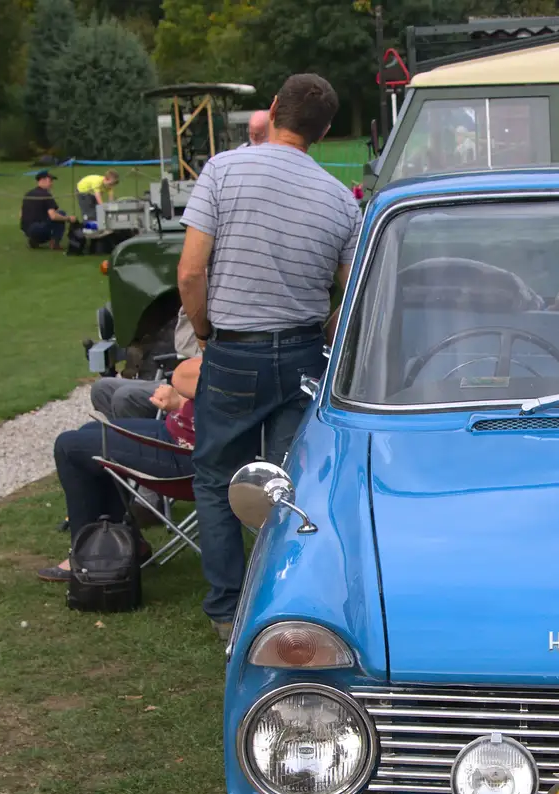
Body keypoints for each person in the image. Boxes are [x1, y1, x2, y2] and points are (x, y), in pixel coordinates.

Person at [176, 73, 360, 640]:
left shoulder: (223, 170)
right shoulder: (339, 198)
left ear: (274, 108)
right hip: (304, 350)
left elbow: (189, 271)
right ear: (324, 132)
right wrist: (324, 325)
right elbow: (354, 295)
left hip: (235, 348)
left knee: (214, 477)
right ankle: (288, 597)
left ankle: (227, 607)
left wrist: (204, 332)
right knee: (292, 484)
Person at [38, 357, 200, 581]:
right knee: (90, 431)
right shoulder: (253, 353)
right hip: (182, 440)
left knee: (69, 446)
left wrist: (179, 403)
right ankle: (122, 543)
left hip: (190, 460)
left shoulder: (237, 354)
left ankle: (87, 555)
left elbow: (183, 376)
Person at [91, 310, 203, 418]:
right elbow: (184, 345)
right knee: (100, 389)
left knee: (125, 397)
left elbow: (186, 347)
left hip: (195, 387)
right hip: (180, 379)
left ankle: (142, 435)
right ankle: (120, 433)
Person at [20, 170, 74, 249]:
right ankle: (55, 244)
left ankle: (34, 240)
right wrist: (69, 218)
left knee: (44, 220)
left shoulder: (28, 194)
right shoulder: (46, 195)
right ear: (42, 180)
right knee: (61, 214)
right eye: (50, 181)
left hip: (26, 230)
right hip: (38, 229)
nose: (51, 184)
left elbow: (21, 214)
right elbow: (53, 216)